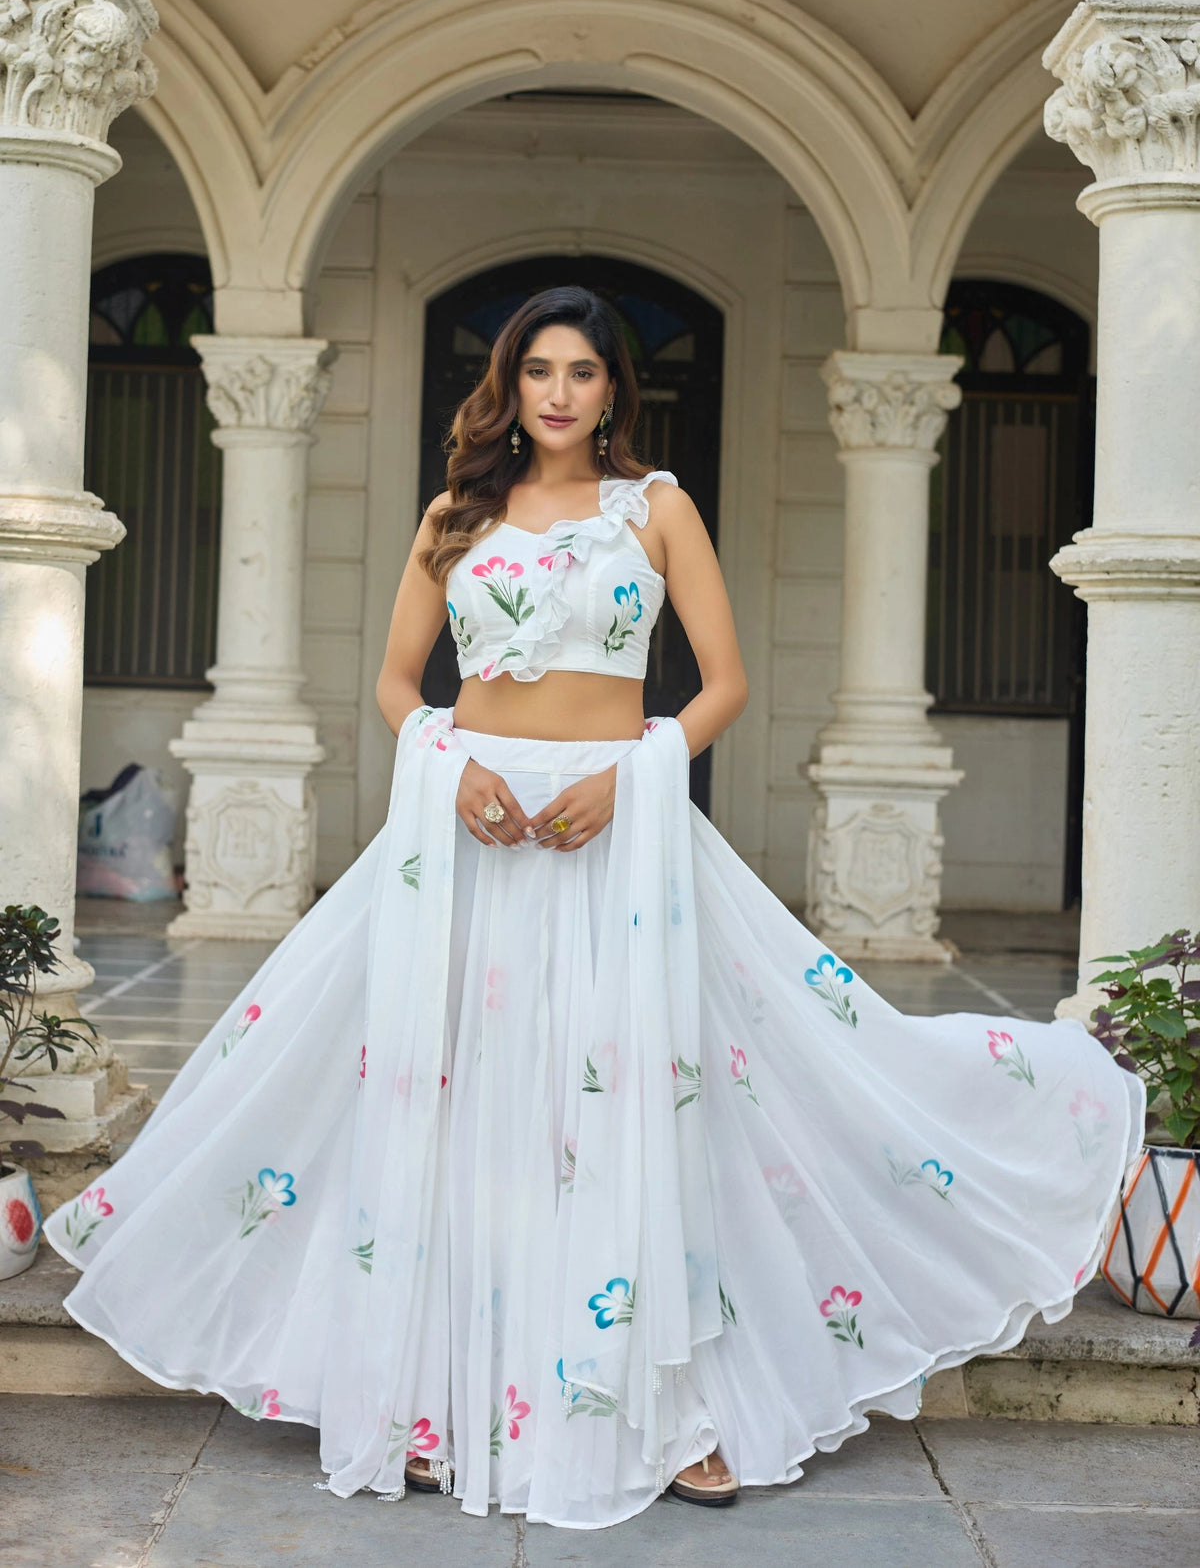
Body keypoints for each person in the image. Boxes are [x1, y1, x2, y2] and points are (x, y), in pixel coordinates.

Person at [46, 286, 1144, 1532]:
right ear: (508, 387)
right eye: (537, 371)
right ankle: (423, 1395)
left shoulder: (658, 509)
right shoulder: (455, 515)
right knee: (462, 1098)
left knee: (633, 1099)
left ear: (615, 388)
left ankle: (669, 1409)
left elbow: (721, 684)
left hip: (620, 828)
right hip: (470, 828)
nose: (559, 392)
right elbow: (400, 685)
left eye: (582, 372)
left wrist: (635, 782)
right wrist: (451, 770)